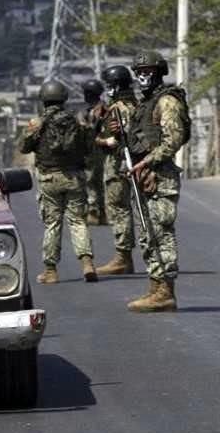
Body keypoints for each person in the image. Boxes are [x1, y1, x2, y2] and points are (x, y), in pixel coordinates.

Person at [114, 51, 190, 312]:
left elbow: (172, 140)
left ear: (159, 73)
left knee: (162, 234)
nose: (143, 76)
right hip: (143, 175)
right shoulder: (144, 104)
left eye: (148, 71)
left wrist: (146, 162)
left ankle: (166, 291)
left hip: (161, 176)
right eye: (139, 72)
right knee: (148, 235)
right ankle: (155, 286)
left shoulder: (167, 101)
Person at [18, 80, 97, 284]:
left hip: (49, 179)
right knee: (78, 221)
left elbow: (23, 147)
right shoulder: (77, 122)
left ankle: (51, 271)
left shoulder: (37, 123)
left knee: (52, 223)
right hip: (75, 178)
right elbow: (89, 148)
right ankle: (87, 264)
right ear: (64, 98)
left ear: (43, 99)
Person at [94, 65, 138, 275]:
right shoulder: (135, 104)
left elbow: (121, 138)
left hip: (119, 166)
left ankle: (123, 257)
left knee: (119, 209)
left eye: (109, 86)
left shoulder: (120, 108)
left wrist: (103, 141)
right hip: (130, 165)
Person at [81, 78, 107, 225]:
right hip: (92, 150)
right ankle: (99, 210)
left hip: (97, 150)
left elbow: (92, 130)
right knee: (94, 182)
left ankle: (94, 210)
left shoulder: (101, 111)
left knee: (92, 181)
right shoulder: (91, 110)